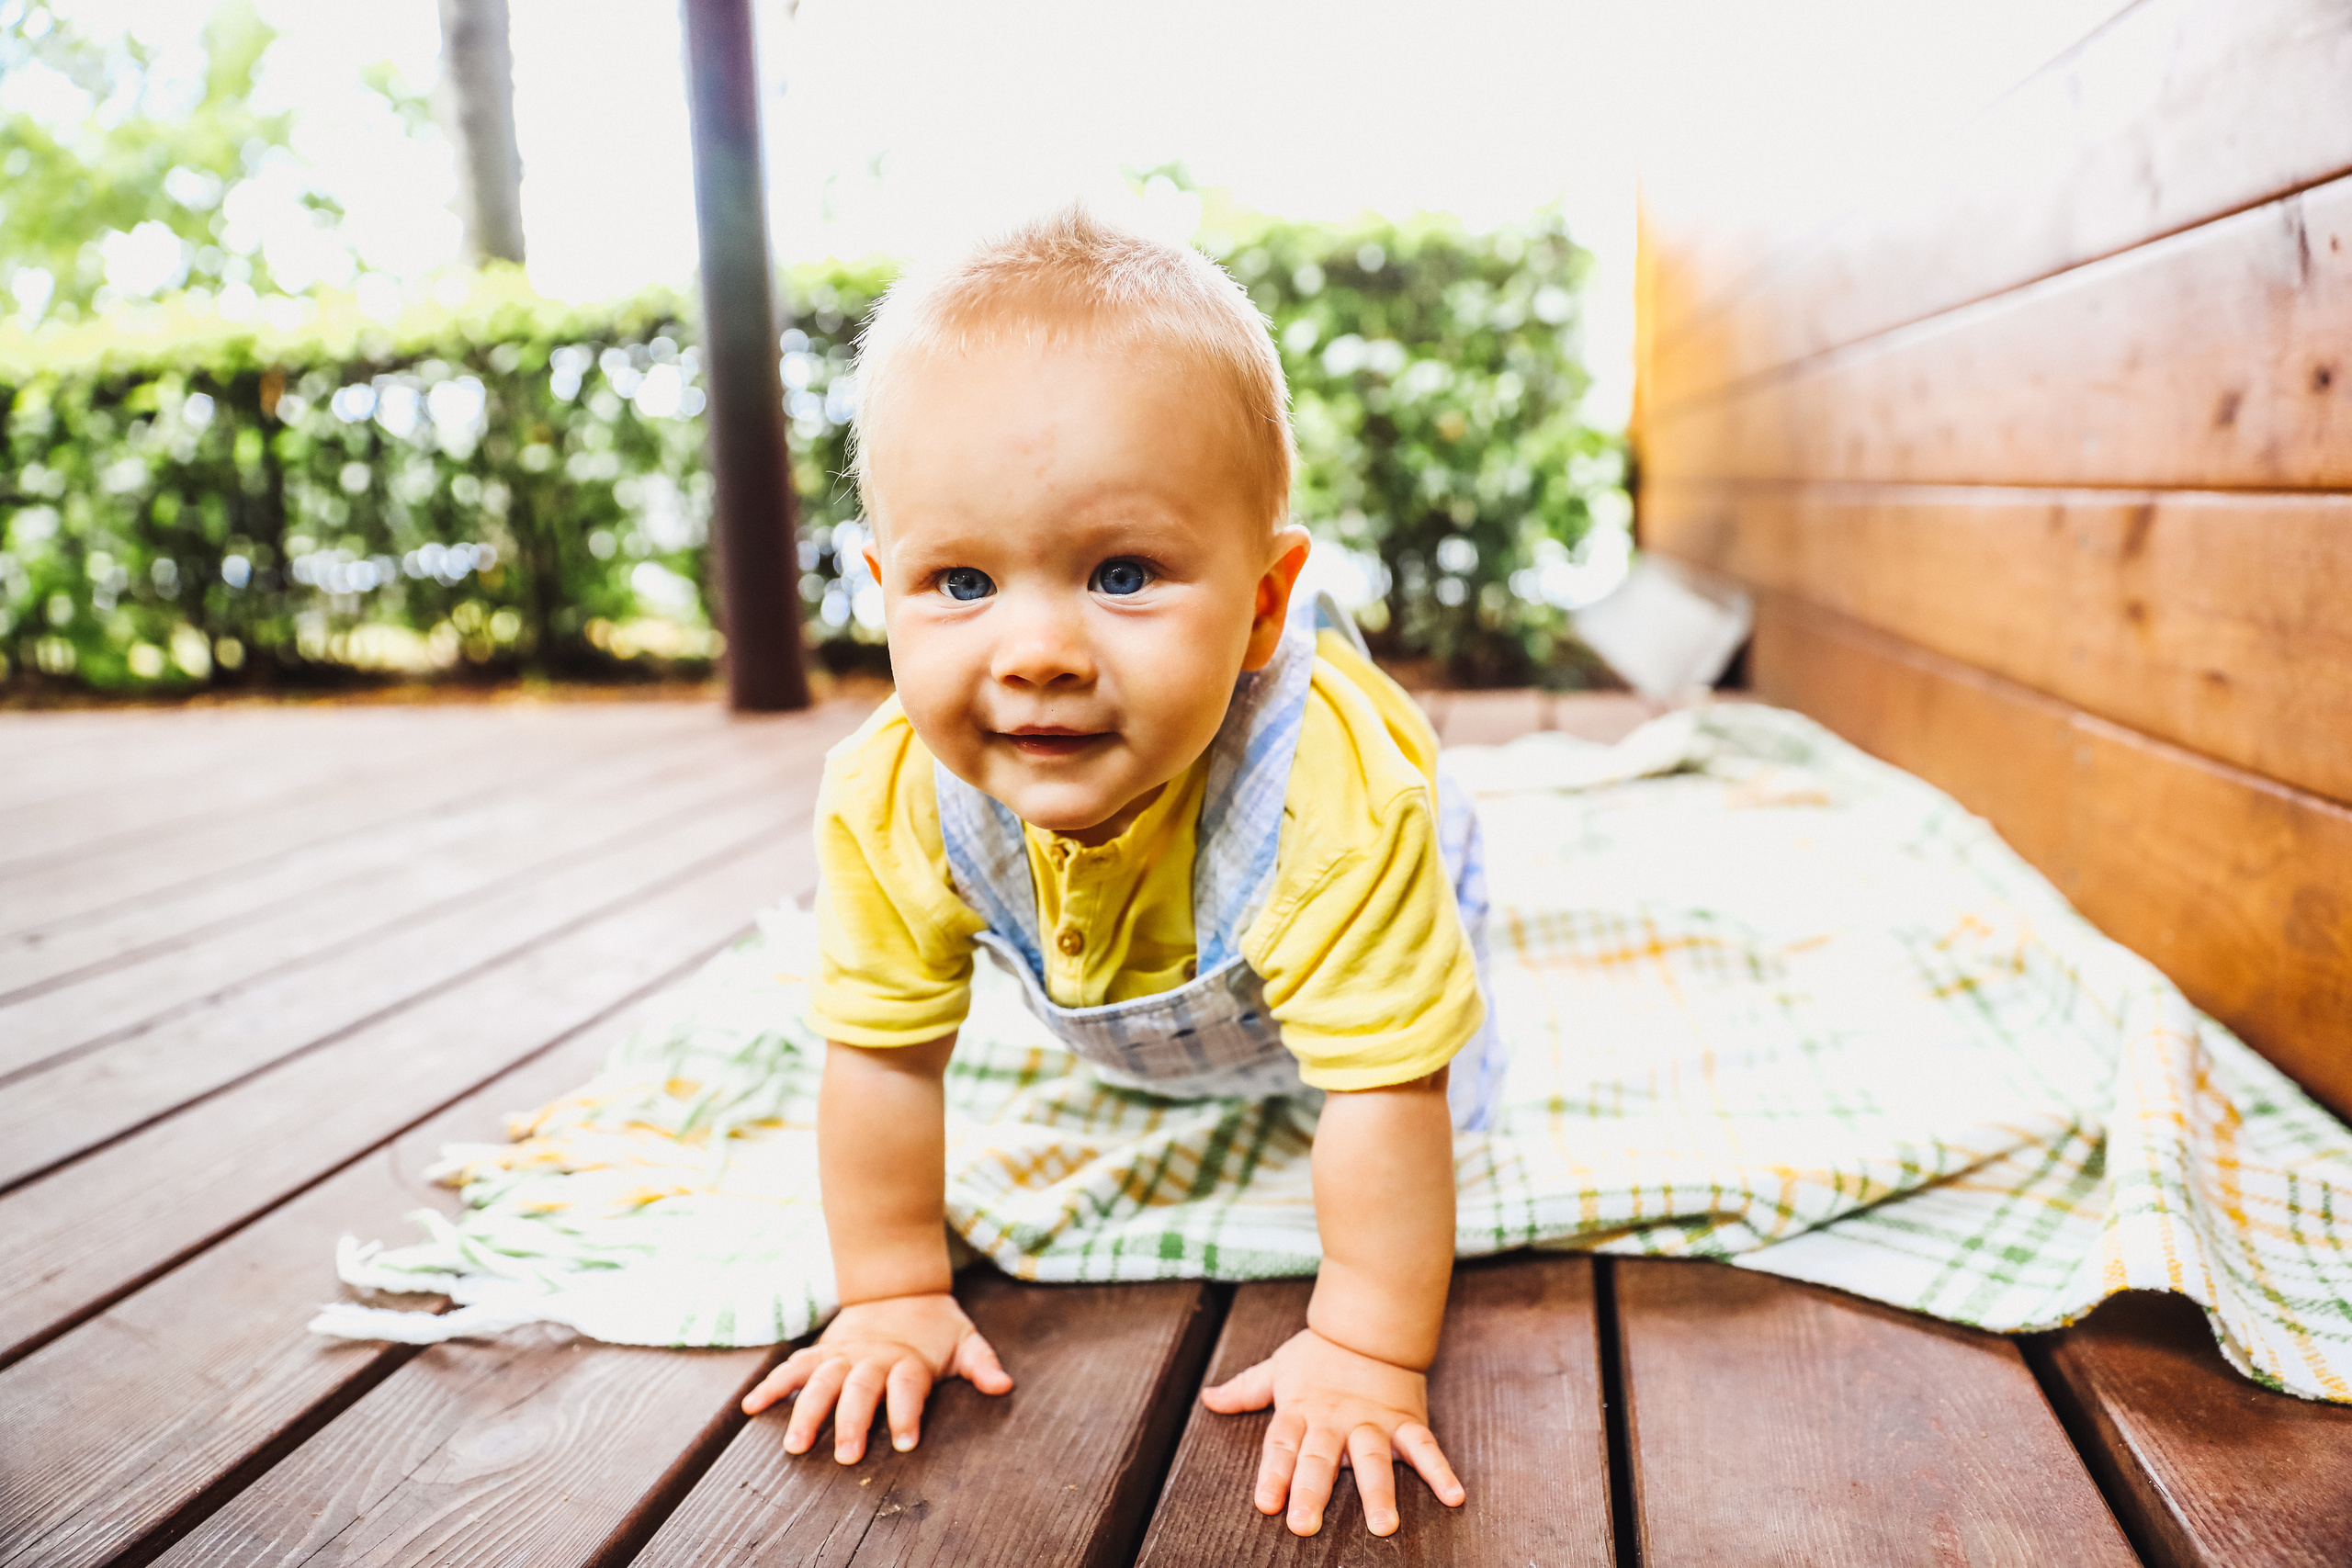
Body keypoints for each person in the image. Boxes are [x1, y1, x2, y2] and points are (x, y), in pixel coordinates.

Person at [740, 206, 1504, 1540]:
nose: (1035, 650)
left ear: (1265, 607)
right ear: (883, 586)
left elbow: (1389, 1085)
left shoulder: (1337, 798)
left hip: (1341, 959)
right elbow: (880, 1056)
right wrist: (891, 1290)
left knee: (1419, 1062)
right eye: (961, 581)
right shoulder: (895, 796)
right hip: (1155, 990)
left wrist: (1369, 1351)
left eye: (1123, 573)